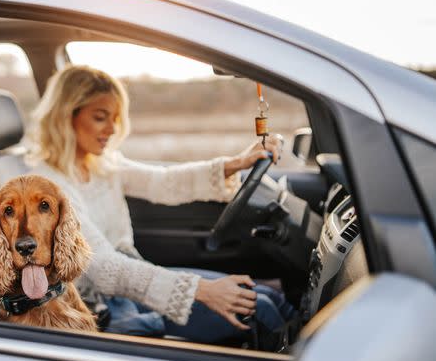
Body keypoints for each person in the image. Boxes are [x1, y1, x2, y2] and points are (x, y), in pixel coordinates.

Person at [26, 65, 294, 344]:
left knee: (268, 296)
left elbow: (163, 182)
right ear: (66, 116)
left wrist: (235, 163)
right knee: (259, 308)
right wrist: (202, 291)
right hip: (97, 305)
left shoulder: (100, 163)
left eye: (115, 118)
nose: (111, 129)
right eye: (100, 117)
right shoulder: (46, 188)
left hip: (128, 279)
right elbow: (104, 268)